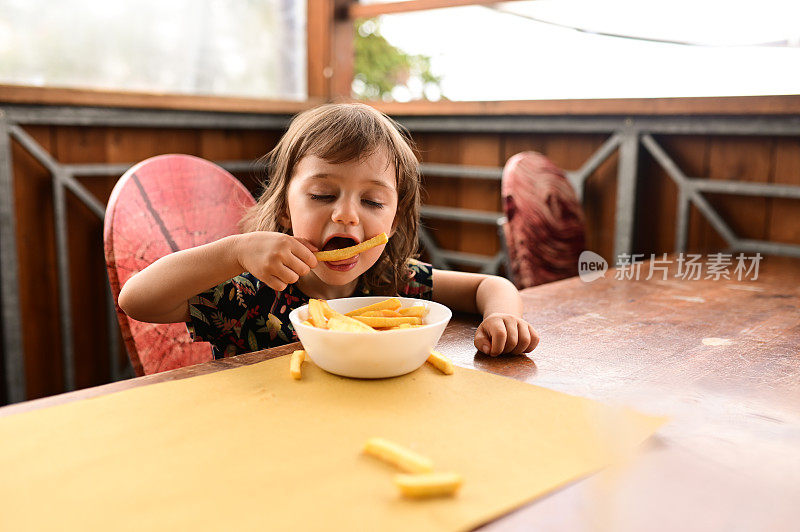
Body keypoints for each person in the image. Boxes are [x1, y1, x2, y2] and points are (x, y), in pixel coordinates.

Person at [118, 103, 539, 359]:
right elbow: (137, 299)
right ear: (284, 209)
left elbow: (489, 284)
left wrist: (503, 317)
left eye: (373, 202)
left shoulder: (392, 280)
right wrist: (234, 253)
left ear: (392, 221)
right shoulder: (250, 292)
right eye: (322, 194)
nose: (346, 216)